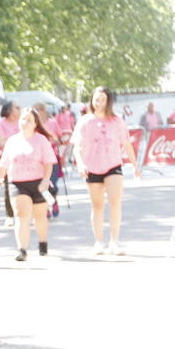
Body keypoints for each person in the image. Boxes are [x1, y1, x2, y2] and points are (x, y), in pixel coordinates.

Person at [72, 86, 137, 256]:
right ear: (91, 100)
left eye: (102, 100)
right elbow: (77, 147)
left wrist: (136, 166)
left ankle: (114, 241)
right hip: (92, 167)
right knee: (98, 205)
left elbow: (126, 144)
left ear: (108, 102)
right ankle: (98, 241)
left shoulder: (117, 121)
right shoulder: (85, 121)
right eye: (96, 99)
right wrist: (80, 164)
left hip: (113, 165)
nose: (99, 103)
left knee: (115, 202)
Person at [0, 107, 56, 262]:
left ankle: (43, 243)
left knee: (40, 216)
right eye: (23, 119)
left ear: (35, 124)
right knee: (22, 215)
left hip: (38, 182)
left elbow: (49, 162)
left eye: (29, 120)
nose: (25, 122)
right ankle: (22, 249)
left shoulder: (41, 140)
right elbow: (4, 163)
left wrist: (46, 180)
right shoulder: (12, 141)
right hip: (18, 183)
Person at [0, 102, 21, 226]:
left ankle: (23, 212)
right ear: (10, 111)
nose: (19, 109)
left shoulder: (23, 122)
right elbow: (1, 141)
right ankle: (10, 214)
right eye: (17, 107)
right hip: (8, 158)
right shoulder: (1, 124)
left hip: (23, 157)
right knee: (8, 186)